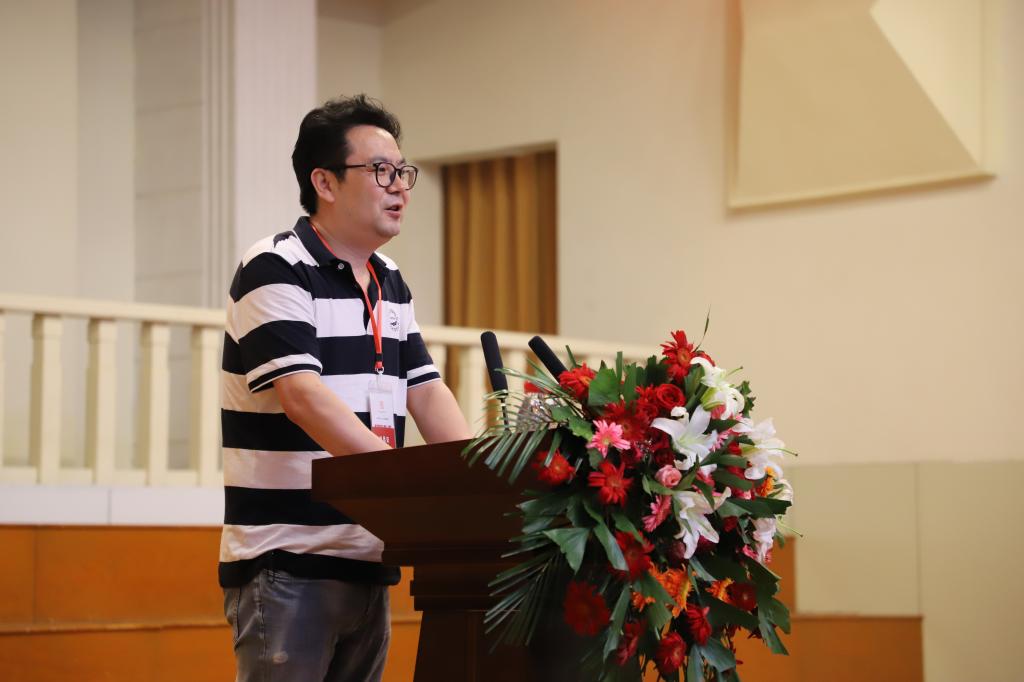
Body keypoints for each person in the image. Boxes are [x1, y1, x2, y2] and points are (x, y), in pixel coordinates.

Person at [219, 94, 471, 682]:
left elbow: (427, 393)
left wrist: (476, 482)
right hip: (288, 560)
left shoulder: (390, 280)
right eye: (381, 171)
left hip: (368, 556)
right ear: (325, 182)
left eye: (403, 172)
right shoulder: (276, 265)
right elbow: (301, 395)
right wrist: (398, 485)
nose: (399, 187)